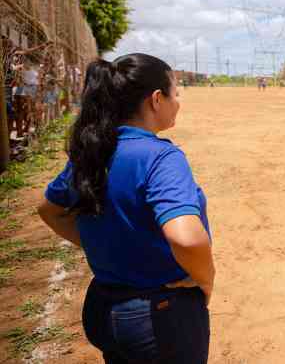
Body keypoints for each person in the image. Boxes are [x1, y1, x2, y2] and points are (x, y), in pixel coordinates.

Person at [37, 54, 214, 363]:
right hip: (158, 317)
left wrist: (106, 247)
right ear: (156, 99)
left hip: (103, 308)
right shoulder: (160, 157)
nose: (178, 101)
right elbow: (187, 238)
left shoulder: (93, 148)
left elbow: (49, 210)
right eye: (176, 92)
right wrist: (205, 279)